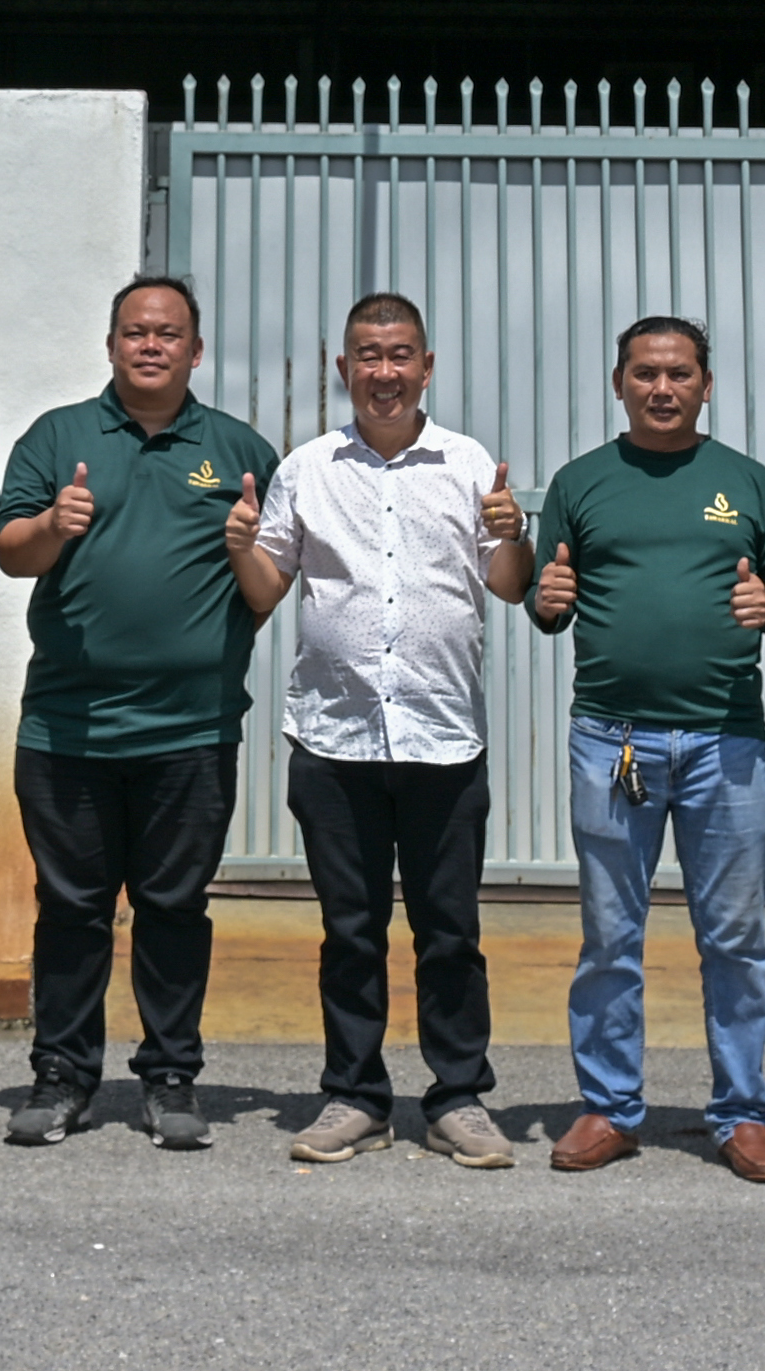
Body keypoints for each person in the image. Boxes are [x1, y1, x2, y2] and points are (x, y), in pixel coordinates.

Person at [0, 274, 282, 1151]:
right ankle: (62, 1076)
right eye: (133, 331)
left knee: (173, 905)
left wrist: (240, 548)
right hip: (68, 727)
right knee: (70, 908)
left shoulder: (239, 450)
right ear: (110, 344)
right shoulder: (58, 437)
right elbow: (8, 553)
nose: (149, 345)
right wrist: (53, 522)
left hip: (189, 730)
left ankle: (169, 1077)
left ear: (195, 350)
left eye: (166, 334)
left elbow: (267, 587)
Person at [252, 292, 534, 1170]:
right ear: (344, 369)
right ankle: (355, 1095)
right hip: (333, 741)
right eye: (367, 355)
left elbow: (510, 586)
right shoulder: (306, 468)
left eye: (400, 354)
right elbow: (265, 588)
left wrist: (513, 531)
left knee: (449, 930)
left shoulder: (467, 463)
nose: (384, 371)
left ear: (426, 366)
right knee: (351, 927)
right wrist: (237, 542)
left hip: (443, 738)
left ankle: (457, 1096)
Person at [531, 315, 765, 1183]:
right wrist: (546, 594)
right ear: (618, 382)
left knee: (733, 937)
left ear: (706, 383)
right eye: (646, 373)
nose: (662, 387)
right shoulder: (580, 482)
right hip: (610, 739)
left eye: (679, 373)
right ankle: (609, 1107)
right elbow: (549, 599)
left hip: (724, 742)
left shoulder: (746, 482)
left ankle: (740, 1112)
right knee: (610, 935)